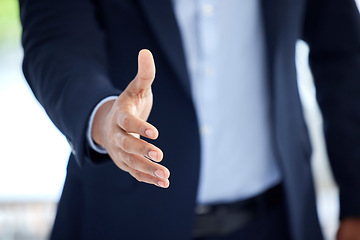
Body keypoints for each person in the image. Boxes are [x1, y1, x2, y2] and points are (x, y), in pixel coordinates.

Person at [19, 0, 360, 239]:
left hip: (280, 221)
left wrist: (356, 203)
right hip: (122, 219)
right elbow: (55, 39)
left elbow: (343, 52)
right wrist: (103, 116)